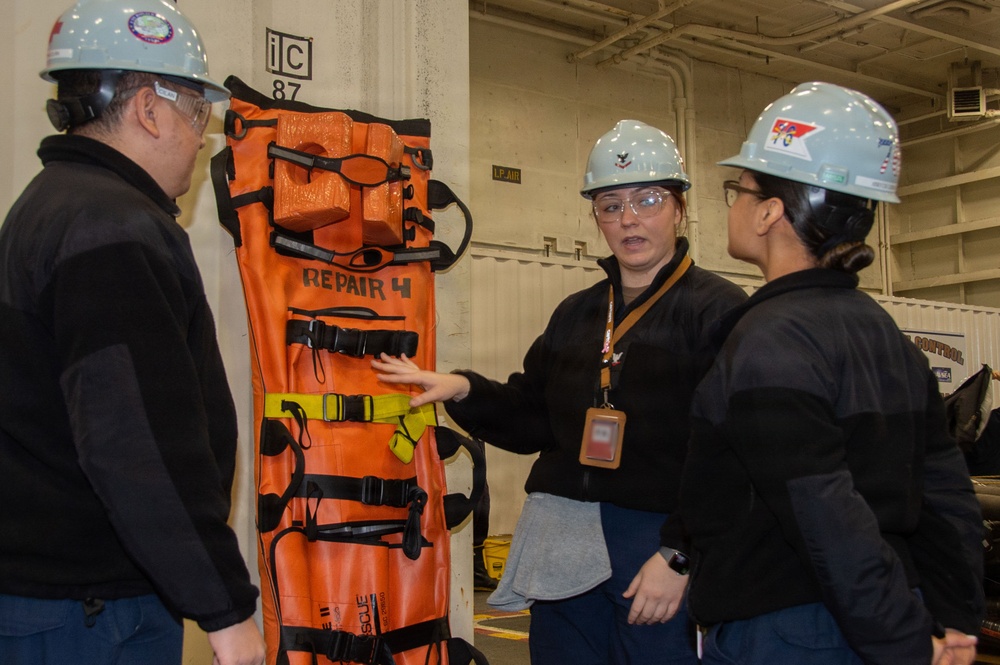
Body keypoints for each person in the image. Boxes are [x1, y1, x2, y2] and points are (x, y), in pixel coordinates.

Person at [373, 119, 747, 664]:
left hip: (654, 539)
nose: (629, 219)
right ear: (594, 214)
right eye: (611, 204)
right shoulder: (578, 314)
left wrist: (680, 554)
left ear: (680, 206)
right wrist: (460, 390)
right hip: (562, 535)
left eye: (648, 199)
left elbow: (730, 455)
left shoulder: (718, 312)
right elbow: (532, 419)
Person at [666, 82, 985, 665]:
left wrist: (905, 643)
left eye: (740, 189)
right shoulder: (887, 337)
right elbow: (947, 496)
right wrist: (953, 619)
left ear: (769, 212)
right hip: (887, 610)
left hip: (795, 632)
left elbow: (825, 513)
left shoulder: (768, 342)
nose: (733, 201)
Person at [0, 1, 266, 664]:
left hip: (57, 601)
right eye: (197, 117)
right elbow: (137, 442)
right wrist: (228, 614)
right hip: (88, 615)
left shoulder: (50, 204)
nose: (201, 140)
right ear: (149, 108)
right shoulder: (111, 230)